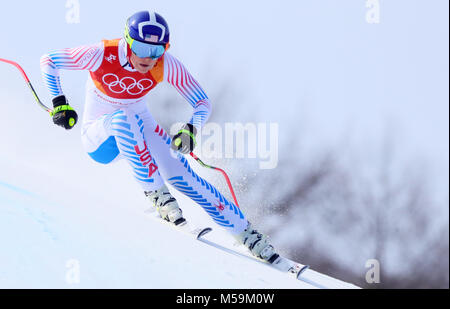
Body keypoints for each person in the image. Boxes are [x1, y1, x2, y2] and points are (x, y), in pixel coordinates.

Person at [40, 11, 279, 263]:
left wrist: (190, 129)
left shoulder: (165, 64)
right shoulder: (102, 53)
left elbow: (202, 102)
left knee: (184, 174)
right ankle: (159, 198)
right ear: (128, 42)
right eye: (142, 48)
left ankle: (248, 234)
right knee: (124, 118)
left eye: (157, 50)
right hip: (99, 138)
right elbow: (49, 60)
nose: (149, 58)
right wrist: (59, 103)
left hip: (139, 125)